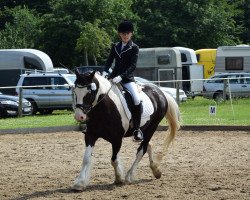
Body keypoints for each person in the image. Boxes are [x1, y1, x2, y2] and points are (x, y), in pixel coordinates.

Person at [102, 20, 143, 142]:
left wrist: (121, 77)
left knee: (136, 99)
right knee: (101, 95)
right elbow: (109, 62)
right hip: (113, 78)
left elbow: (132, 66)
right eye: (123, 33)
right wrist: (105, 72)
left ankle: (137, 129)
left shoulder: (134, 47)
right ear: (119, 34)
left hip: (127, 79)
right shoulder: (115, 46)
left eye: (128, 33)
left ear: (131, 34)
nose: (125, 36)